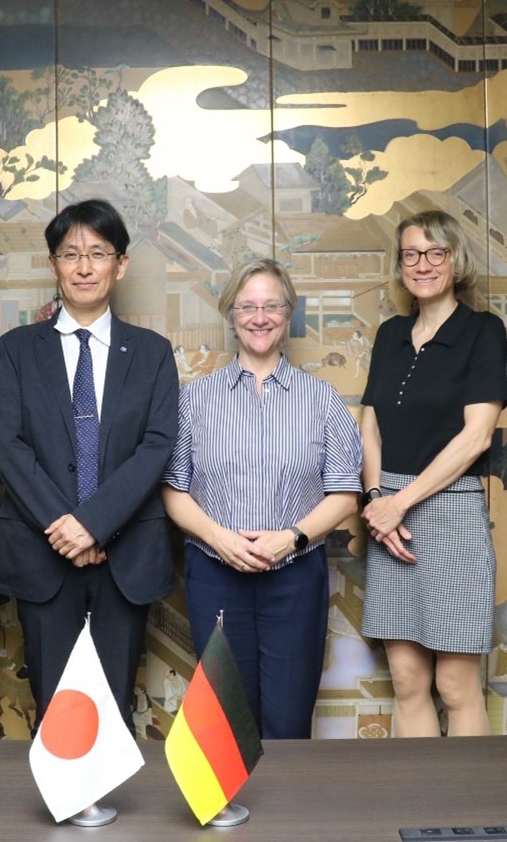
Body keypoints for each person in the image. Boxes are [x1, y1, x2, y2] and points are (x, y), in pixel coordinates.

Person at [0, 199, 179, 734]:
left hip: (126, 554)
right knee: (55, 711)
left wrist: (94, 523)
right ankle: (60, 789)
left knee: (113, 709)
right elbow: (10, 445)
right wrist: (66, 527)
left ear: (121, 264)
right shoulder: (18, 349)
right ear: (54, 265)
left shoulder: (152, 352)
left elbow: (157, 445)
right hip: (44, 552)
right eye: (71, 254)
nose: (84, 266)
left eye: (98, 253)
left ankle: (110, 788)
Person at [163, 258, 361, 738]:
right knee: (226, 724)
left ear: (288, 313)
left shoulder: (321, 399)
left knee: (288, 723)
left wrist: (290, 538)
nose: (260, 317)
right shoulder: (194, 399)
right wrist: (220, 538)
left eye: (272, 306)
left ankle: (289, 795)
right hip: (215, 573)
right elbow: (173, 489)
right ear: (231, 314)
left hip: (295, 576)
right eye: (247, 306)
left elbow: (345, 495)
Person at [359, 210, 507, 738]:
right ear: (400, 266)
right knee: (406, 680)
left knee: (455, 685)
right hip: (387, 515)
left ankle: (467, 792)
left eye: (435, 253)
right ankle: (415, 789)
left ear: (455, 260)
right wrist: (377, 500)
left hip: (451, 510)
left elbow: (477, 436)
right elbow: (370, 427)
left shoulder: (483, 331)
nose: (422, 265)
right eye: (411, 254)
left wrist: (398, 503)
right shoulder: (390, 334)